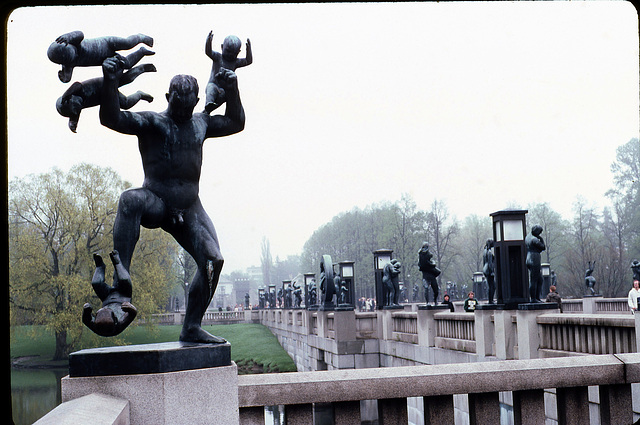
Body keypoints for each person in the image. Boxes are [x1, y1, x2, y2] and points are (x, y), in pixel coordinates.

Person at [98, 55, 245, 343]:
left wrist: (234, 90)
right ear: (168, 97)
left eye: (189, 106)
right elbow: (111, 118)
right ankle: (119, 291)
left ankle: (191, 326)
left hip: (190, 207)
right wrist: (110, 81)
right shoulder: (153, 122)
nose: (183, 112)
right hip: (157, 201)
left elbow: (235, 122)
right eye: (178, 105)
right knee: (129, 200)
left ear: (196, 101)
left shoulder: (200, 124)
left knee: (213, 261)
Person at [55, 54, 155, 132]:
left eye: (76, 105)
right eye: (77, 109)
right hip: (106, 96)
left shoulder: (76, 90)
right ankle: (140, 94)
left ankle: (142, 68)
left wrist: (65, 95)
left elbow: (76, 84)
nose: (79, 106)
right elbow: (75, 113)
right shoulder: (75, 107)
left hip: (103, 84)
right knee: (125, 103)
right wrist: (73, 123)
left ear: (69, 98)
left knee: (125, 79)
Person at [48, 30, 154, 83]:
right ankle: (141, 52)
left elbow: (80, 33)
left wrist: (68, 36)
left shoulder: (75, 43)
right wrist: (64, 77)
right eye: (73, 56)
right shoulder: (69, 64)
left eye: (73, 51)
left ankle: (140, 37)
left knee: (128, 43)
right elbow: (67, 77)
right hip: (106, 59)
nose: (76, 54)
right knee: (126, 64)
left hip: (107, 43)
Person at [203, 31, 252, 113]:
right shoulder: (218, 57)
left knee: (227, 95)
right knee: (211, 89)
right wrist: (208, 42)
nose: (230, 55)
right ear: (222, 47)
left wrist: (248, 50)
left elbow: (248, 61)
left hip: (224, 90)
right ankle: (208, 104)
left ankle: (208, 110)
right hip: (214, 84)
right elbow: (208, 52)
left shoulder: (235, 62)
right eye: (228, 51)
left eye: (234, 53)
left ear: (238, 52)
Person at [525, 225, 546, 302]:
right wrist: (541, 239)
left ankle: (536, 298)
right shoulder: (535, 239)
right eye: (539, 232)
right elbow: (543, 247)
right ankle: (533, 298)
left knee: (539, 279)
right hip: (534, 259)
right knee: (534, 280)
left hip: (529, 257)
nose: (539, 234)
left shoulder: (527, 237)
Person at [482, 238, 496, 304]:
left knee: (490, 285)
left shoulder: (485, 251)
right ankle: (491, 300)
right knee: (493, 286)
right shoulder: (489, 252)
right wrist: (492, 271)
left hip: (485, 268)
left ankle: (490, 300)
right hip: (489, 270)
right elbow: (490, 263)